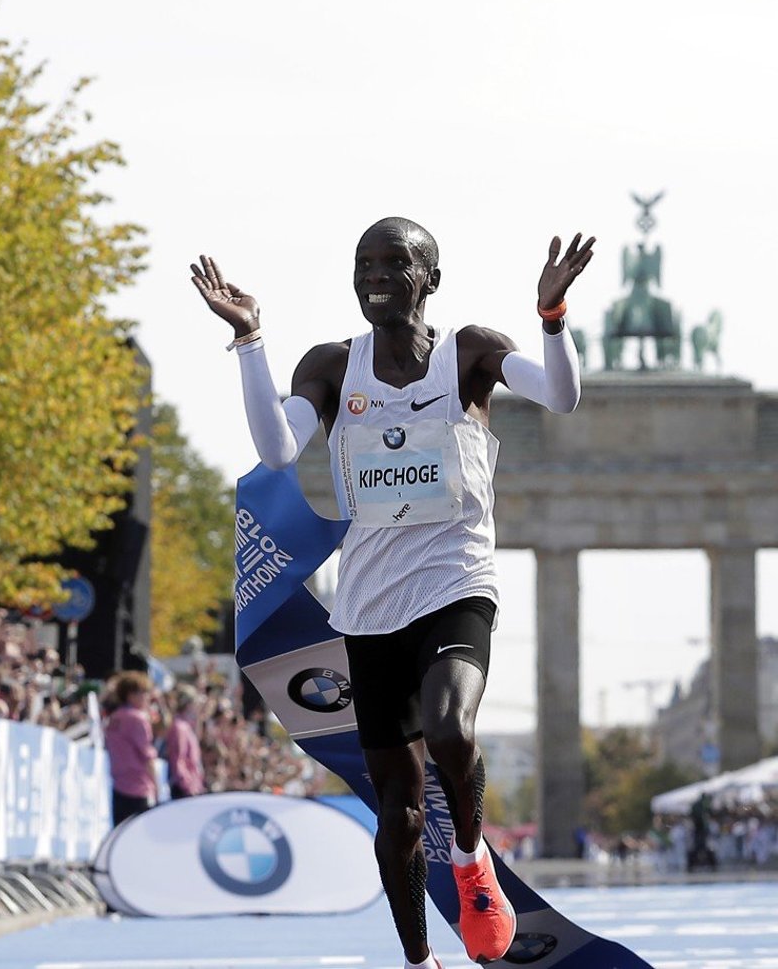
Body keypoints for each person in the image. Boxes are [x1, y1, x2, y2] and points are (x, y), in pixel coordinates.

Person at [192, 219, 593, 967]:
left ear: (428, 278)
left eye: (394, 262)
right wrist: (250, 342)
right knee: (400, 812)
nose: (376, 274)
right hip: (370, 604)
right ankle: (418, 960)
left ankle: (473, 865)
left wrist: (551, 320)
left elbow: (562, 399)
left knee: (448, 728)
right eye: (364, 263)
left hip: (455, 582)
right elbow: (277, 449)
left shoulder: (467, 353)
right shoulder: (335, 367)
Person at [102, 670, 159, 825]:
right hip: (138, 788)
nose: (148, 697)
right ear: (131, 695)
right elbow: (147, 755)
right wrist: (157, 787)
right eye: (144, 693)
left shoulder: (114, 718)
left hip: (119, 786)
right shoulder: (137, 718)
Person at [165, 683, 205, 800]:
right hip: (185, 790)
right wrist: (187, 786)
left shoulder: (186, 726)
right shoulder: (179, 727)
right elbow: (177, 759)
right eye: (195, 703)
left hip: (193, 786)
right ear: (188, 704)